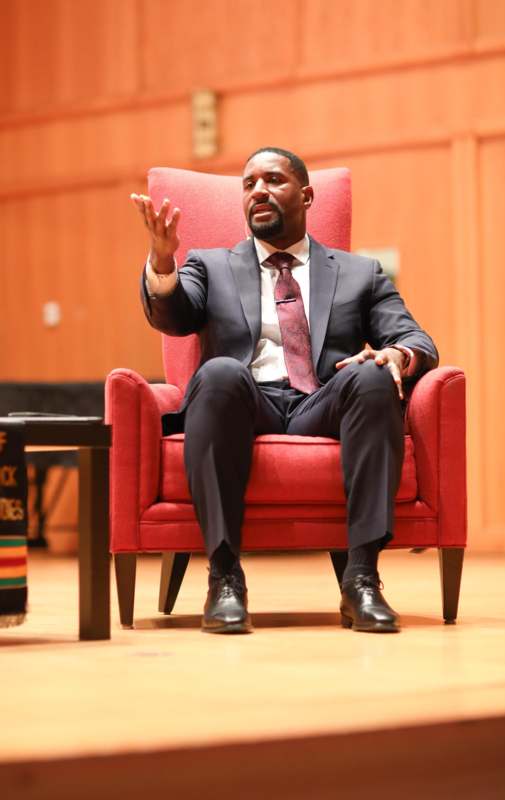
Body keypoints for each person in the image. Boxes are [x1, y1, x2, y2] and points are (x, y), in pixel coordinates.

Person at [131, 146, 438, 636]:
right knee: (218, 372)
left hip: (322, 402)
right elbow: (173, 317)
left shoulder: (359, 273)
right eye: (249, 183)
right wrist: (162, 260)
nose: (258, 190)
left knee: (373, 374)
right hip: (246, 400)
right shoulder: (209, 265)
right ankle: (224, 578)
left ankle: (362, 580)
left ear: (307, 196)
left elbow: (416, 339)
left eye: (273, 180)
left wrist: (397, 356)